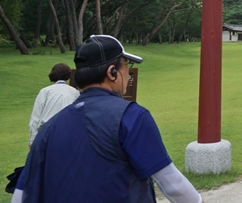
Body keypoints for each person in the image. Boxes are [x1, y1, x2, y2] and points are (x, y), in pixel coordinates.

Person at [12, 35, 202, 203]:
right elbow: (171, 183)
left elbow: (21, 194)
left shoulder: (49, 128)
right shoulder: (131, 116)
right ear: (112, 72)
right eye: (126, 65)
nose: (128, 73)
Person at [28, 63, 80, 147]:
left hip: (47, 133)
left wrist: (33, 139)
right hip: (69, 133)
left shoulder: (45, 91)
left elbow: (35, 117)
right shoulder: (75, 92)